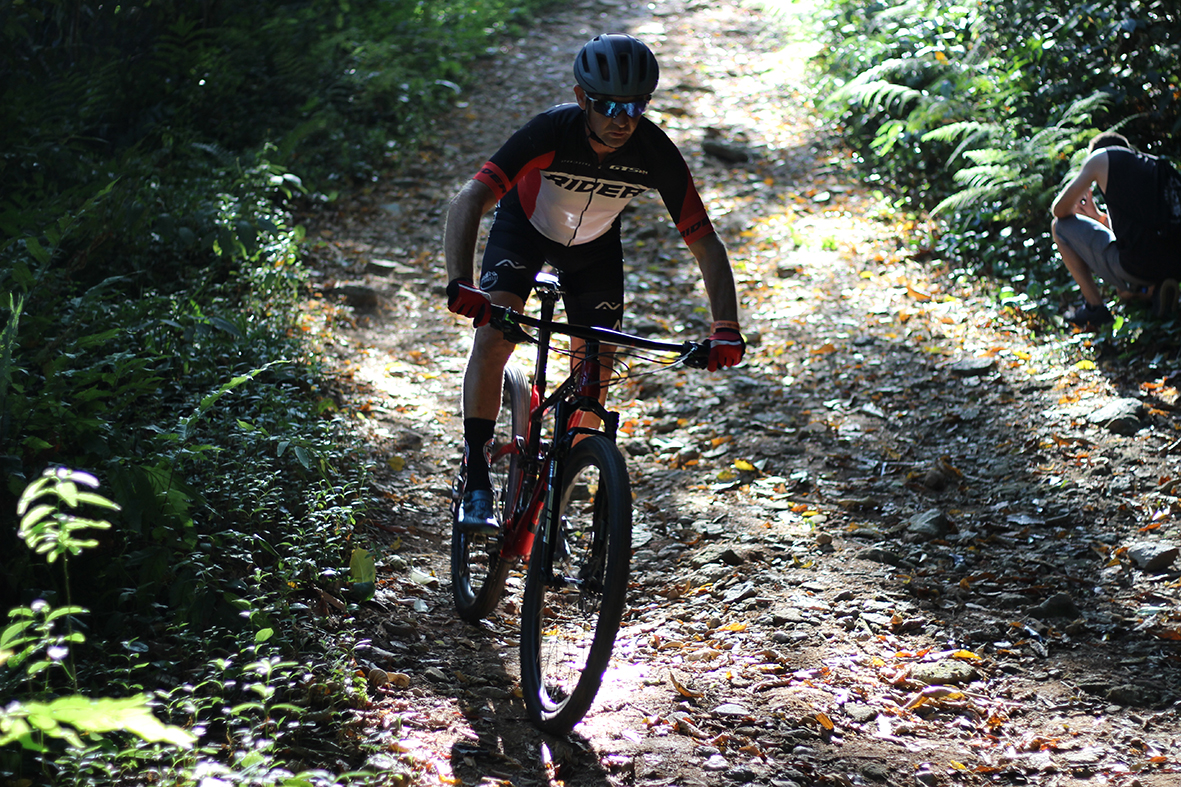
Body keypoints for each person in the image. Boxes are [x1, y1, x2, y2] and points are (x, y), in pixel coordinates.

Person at [443, 33, 745, 534]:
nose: (622, 119)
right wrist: (461, 281)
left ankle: (558, 487)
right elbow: (470, 199)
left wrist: (726, 326)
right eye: (608, 105)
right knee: (495, 336)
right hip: (524, 232)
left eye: (636, 105)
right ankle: (476, 471)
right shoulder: (551, 131)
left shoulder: (653, 151)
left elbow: (706, 244)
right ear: (582, 97)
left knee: (594, 381)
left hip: (595, 251)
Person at [1051, 130, 1181, 328]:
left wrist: (1077, 201)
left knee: (1059, 226)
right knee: (1124, 292)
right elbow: (1138, 229)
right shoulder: (1155, 166)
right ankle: (1152, 291)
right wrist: (1097, 217)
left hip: (1140, 265)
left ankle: (1095, 308)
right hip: (1175, 263)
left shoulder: (1100, 158)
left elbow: (1059, 210)